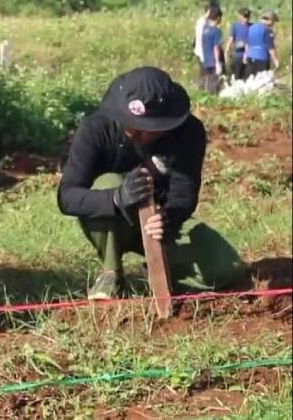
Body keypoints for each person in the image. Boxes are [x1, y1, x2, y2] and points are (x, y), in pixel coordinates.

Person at [57, 67, 247, 300]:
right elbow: (67, 197)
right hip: (114, 223)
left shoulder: (188, 132)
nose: (135, 132)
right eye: (130, 125)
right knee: (106, 181)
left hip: (162, 223)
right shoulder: (95, 130)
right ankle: (111, 273)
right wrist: (117, 198)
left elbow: (184, 194)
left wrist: (168, 219)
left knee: (225, 269)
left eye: (146, 129)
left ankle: (163, 272)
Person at [244, 10, 281, 76]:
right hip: (262, 58)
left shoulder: (251, 28)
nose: (273, 24)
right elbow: (271, 48)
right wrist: (276, 61)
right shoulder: (267, 30)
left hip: (250, 56)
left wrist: (245, 55)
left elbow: (247, 44)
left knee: (251, 79)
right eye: (273, 21)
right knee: (262, 79)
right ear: (270, 20)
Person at [197, 5, 224, 93]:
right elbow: (216, 48)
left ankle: (204, 94)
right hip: (213, 60)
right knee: (213, 81)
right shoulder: (216, 30)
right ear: (218, 17)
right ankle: (212, 97)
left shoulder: (204, 28)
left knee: (206, 80)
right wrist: (218, 63)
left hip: (205, 59)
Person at [224, 7, 251, 80]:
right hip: (238, 54)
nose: (246, 19)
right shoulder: (235, 26)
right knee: (237, 75)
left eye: (247, 17)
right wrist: (226, 51)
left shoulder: (251, 26)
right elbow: (231, 39)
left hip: (249, 55)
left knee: (247, 76)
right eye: (244, 17)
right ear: (240, 16)